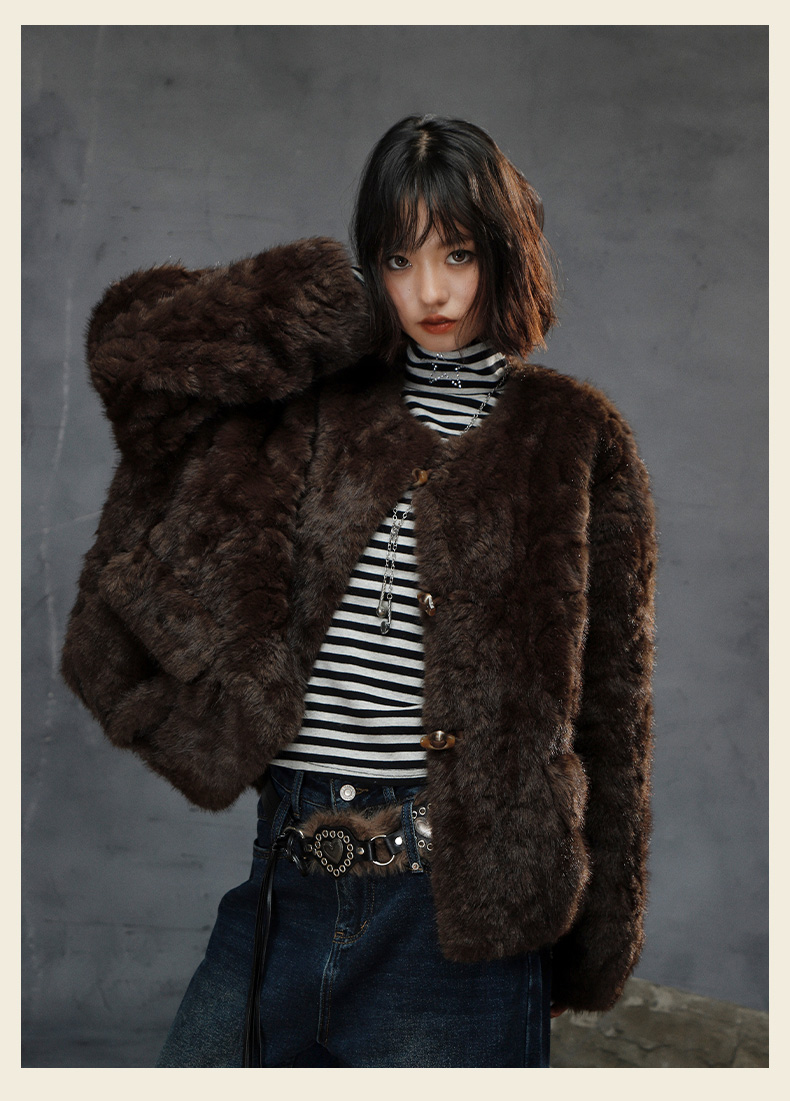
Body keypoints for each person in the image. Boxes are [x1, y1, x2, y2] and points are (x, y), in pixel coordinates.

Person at [61, 114, 657, 1068]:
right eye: (398, 258)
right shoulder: (315, 404)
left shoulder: (575, 437)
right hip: (283, 885)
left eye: (458, 254)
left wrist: (592, 948)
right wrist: (295, 305)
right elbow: (129, 360)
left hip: (456, 923)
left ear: (504, 252)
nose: (431, 291)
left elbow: (614, 712)